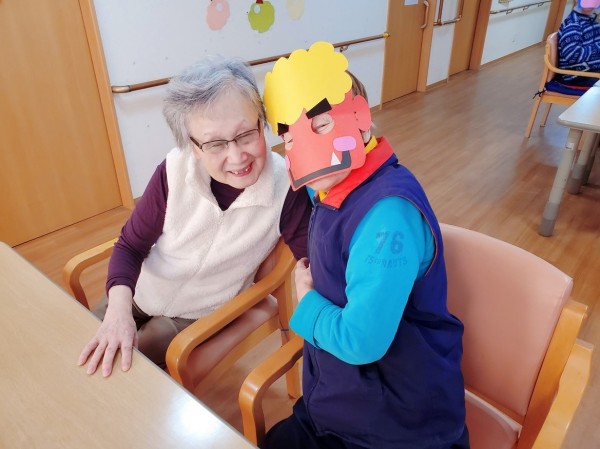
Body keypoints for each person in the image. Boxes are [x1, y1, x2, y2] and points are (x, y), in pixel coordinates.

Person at [260, 42, 469, 449]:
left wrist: (306, 301)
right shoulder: (329, 187)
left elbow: (361, 342)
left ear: (361, 122)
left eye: (320, 125)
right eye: (288, 137)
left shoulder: (387, 216)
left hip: (397, 423)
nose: (301, 147)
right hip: (335, 398)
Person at [78, 56, 312, 377]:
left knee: (124, 365)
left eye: (246, 134)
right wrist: (118, 310)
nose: (236, 156)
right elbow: (131, 246)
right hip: (141, 290)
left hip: (197, 313)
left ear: (263, 123)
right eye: (215, 144)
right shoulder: (174, 171)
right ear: (194, 147)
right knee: (84, 342)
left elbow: (313, 260)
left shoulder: (286, 186)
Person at [557, 0, 600, 87]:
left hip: (591, 69)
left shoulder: (592, 21)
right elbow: (573, 55)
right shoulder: (573, 24)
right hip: (577, 75)